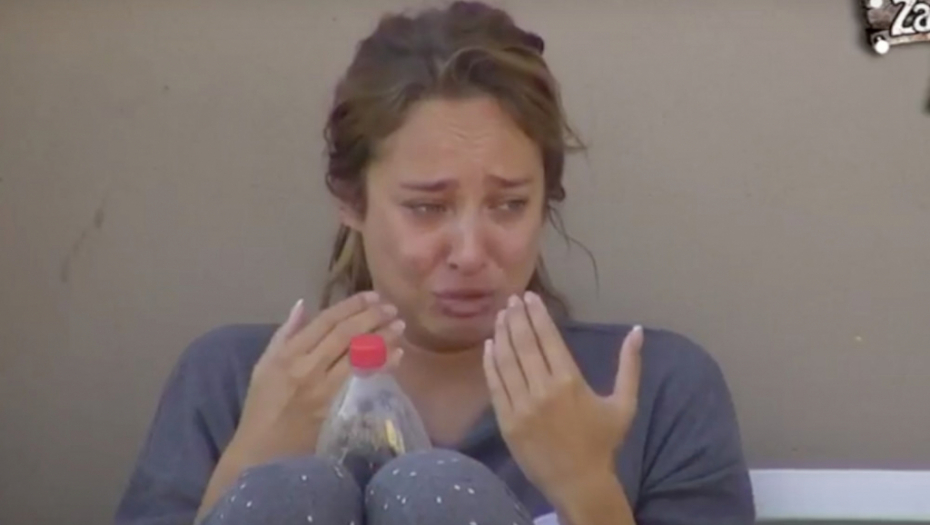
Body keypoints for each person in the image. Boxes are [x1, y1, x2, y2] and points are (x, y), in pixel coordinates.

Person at [114, 2, 755, 524]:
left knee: (438, 496)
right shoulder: (234, 383)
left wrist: (587, 488)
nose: (471, 253)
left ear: (546, 202)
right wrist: (249, 463)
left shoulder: (653, 390)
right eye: (426, 207)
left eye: (509, 204)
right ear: (352, 200)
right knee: (291, 492)